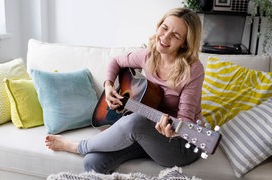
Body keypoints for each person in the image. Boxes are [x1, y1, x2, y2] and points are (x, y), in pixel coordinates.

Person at [45, 7, 204, 174]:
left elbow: (185, 120)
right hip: (146, 134)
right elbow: (116, 62)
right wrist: (108, 87)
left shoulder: (193, 69)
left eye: (176, 35)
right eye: (164, 28)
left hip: (180, 144)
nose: (165, 36)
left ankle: (78, 146)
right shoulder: (148, 56)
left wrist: (172, 131)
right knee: (92, 163)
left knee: (136, 121)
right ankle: (88, 151)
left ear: (185, 43)